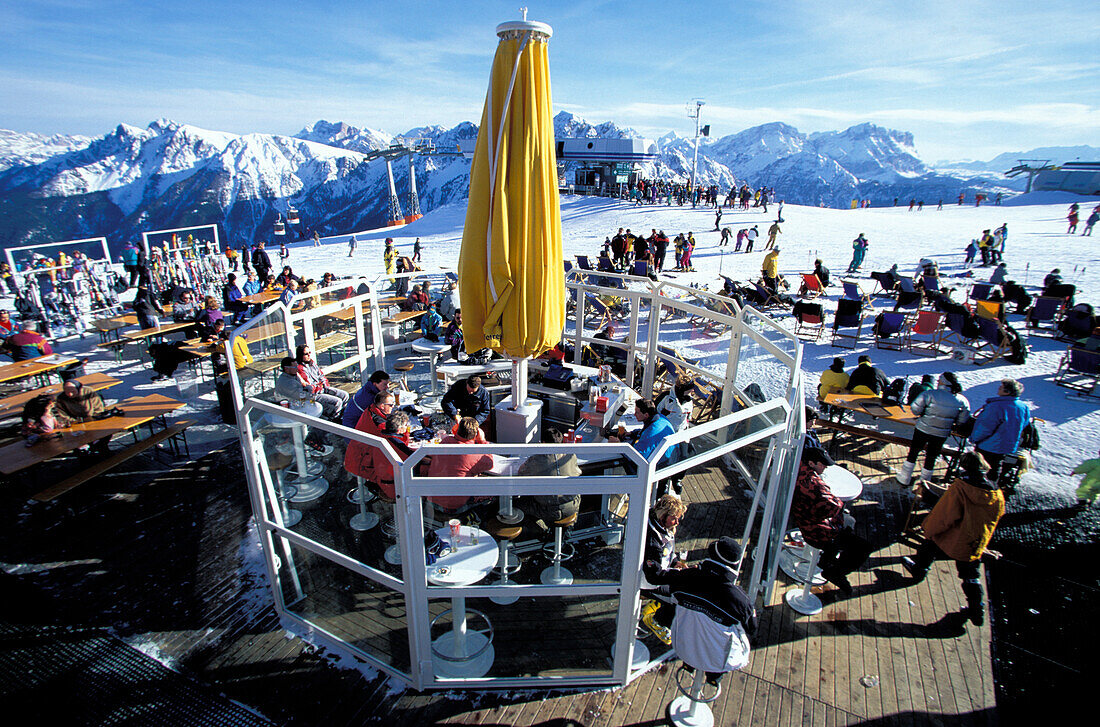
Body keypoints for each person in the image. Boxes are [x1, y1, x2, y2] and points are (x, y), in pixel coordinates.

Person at [902, 452, 1004, 626]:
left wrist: (929, 529)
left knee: (930, 545)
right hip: (976, 539)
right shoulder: (995, 491)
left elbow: (945, 515)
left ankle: (919, 570)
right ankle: (976, 609)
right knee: (971, 575)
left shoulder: (962, 488)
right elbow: (998, 513)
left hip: (955, 536)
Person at [663, 537, 757, 687]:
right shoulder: (740, 601)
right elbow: (752, 628)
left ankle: (689, 664)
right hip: (718, 660)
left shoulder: (684, 578)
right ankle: (713, 677)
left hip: (683, 647)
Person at [790, 447, 872, 594]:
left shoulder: (798, 468)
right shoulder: (815, 486)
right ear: (811, 463)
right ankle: (834, 571)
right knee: (863, 547)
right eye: (823, 464)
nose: (826, 467)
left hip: (804, 518)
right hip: (816, 531)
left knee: (848, 524)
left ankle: (826, 559)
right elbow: (835, 507)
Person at [897, 372, 970, 486]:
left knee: (914, 452)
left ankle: (904, 477)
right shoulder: (962, 400)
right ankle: (925, 482)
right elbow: (962, 420)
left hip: (923, 428)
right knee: (932, 456)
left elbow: (915, 409)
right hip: (941, 433)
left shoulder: (929, 394)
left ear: (942, 382)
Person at [638, 494, 690, 644]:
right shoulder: (653, 541)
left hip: (660, 575)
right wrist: (677, 575)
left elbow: (667, 553)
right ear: (663, 516)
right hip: (648, 583)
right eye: (674, 518)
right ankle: (656, 620)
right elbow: (653, 576)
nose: (677, 522)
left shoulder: (660, 525)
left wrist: (674, 563)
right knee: (681, 597)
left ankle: (657, 606)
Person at [517, 427, 583, 528]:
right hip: (572, 506)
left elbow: (521, 473)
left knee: (518, 504)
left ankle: (541, 529)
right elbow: (577, 472)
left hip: (547, 510)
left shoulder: (536, 459)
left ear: (543, 443)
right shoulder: (570, 455)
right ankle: (566, 530)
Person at [344, 410, 416, 500]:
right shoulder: (393, 443)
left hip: (374, 473)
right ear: (399, 429)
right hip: (393, 488)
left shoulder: (381, 437)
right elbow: (413, 459)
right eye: (405, 425)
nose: (407, 426)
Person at [425, 417, 495, 509]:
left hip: (432, 499)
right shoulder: (474, 454)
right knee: (493, 493)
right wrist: (482, 441)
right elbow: (490, 463)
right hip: (455, 506)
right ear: (476, 434)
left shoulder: (445, 441)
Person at [968, 378, 1031, 477]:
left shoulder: (996, 406)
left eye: (1001, 387)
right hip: (1007, 445)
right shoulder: (1023, 407)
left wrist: (974, 438)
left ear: (1007, 392)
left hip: (988, 445)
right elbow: (1024, 423)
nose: (999, 388)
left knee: (980, 470)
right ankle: (992, 489)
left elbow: (986, 427)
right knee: (995, 468)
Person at [295, 344, 349, 419]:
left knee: (345, 395)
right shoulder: (300, 369)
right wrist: (320, 387)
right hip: (313, 395)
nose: (309, 355)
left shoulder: (312, 363)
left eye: (309, 353)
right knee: (337, 402)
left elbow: (321, 375)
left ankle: (344, 415)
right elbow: (309, 386)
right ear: (300, 355)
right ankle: (335, 418)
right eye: (306, 354)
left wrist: (324, 383)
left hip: (322, 388)